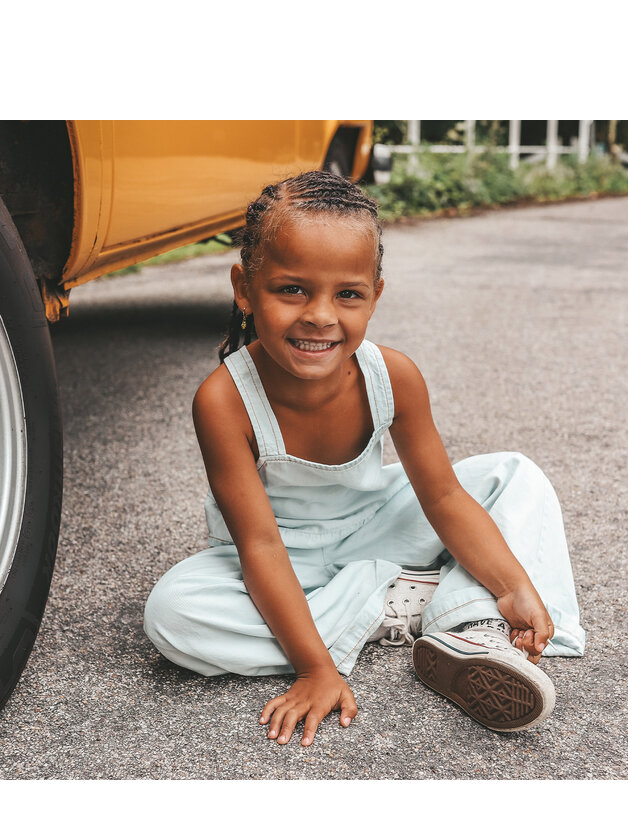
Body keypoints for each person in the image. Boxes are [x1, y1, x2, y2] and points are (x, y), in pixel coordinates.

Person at [144, 170, 585, 746]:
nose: (321, 316)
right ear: (244, 288)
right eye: (291, 289)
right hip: (284, 560)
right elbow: (259, 545)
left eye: (347, 294)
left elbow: (444, 497)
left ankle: (472, 621)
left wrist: (512, 583)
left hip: (378, 526)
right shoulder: (223, 400)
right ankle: (422, 608)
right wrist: (315, 670)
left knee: (513, 476)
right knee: (174, 616)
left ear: (376, 295)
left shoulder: (393, 375)